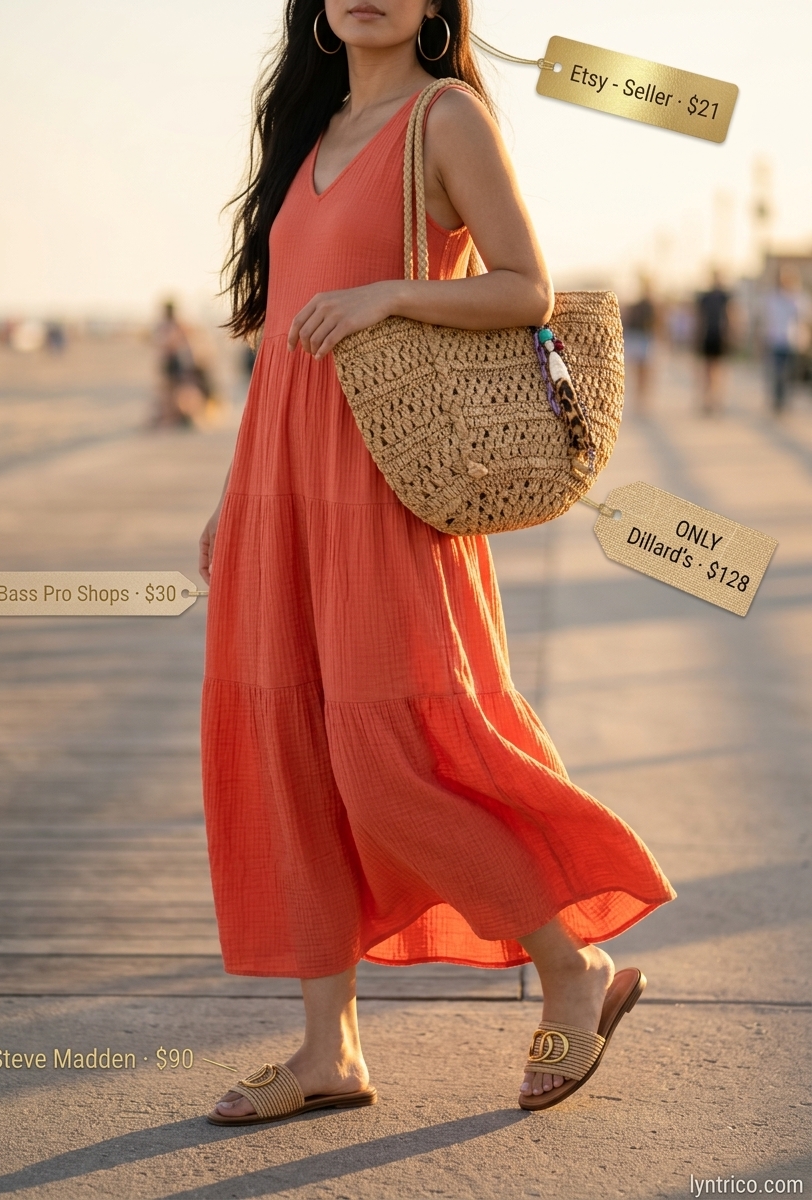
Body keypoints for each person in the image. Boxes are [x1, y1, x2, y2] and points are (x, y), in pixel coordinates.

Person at [198, 0, 674, 1123]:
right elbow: (278, 352)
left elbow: (526, 287)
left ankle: (570, 965)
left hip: (385, 482)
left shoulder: (443, 116)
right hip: (282, 489)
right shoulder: (309, 137)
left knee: (392, 757)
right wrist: (231, 499)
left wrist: (391, 294)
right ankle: (329, 1051)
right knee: (296, 756)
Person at [763, 264, 809, 414]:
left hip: (792, 341)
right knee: (777, 372)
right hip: (775, 340)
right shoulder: (773, 298)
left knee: (788, 374)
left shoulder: (797, 298)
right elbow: (767, 319)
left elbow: (804, 318)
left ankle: (785, 400)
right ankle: (778, 401)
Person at [695, 270, 730, 416]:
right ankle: (707, 399)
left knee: (718, 369)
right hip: (708, 336)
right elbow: (699, 317)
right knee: (707, 370)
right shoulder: (705, 297)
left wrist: (730, 334)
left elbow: (730, 315)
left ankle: (716, 399)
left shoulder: (725, 297)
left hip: (719, 336)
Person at [623, 275, 657, 415]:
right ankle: (639, 398)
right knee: (639, 370)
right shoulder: (638, 305)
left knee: (644, 371)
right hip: (639, 337)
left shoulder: (652, 305)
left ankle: (642, 398)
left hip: (645, 338)